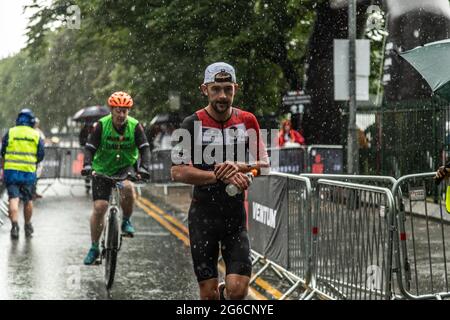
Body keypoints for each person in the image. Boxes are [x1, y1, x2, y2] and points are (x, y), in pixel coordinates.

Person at [171, 62, 269, 300]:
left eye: (228, 88)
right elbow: (177, 172)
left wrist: (243, 169)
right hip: (203, 217)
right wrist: (218, 174)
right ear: (204, 89)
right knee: (208, 293)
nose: (222, 95)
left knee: (237, 290)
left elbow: (264, 164)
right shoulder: (190, 124)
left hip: (234, 217)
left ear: (235, 88)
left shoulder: (247, 120)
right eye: (216, 89)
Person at [81, 91, 151, 265]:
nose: (121, 115)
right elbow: (89, 148)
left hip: (125, 167)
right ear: (111, 110)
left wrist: (144, 168)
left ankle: (126, 220)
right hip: (102, 168)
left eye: (125, 111)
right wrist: (88, 166)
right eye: (118, 111)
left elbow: (145, 148)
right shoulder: (101, 125)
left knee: (127, 188)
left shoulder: (135, 126)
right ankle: (94, 247)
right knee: (100, 207)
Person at [1, 109, 45, 239]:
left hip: (11, 172)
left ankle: (14, 226)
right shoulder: (35, 135)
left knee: (13, 199)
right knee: (28, 200)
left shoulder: (10, 132)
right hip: (28, 172)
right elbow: (41, 154)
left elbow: (2, 151)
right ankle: (27, 225)